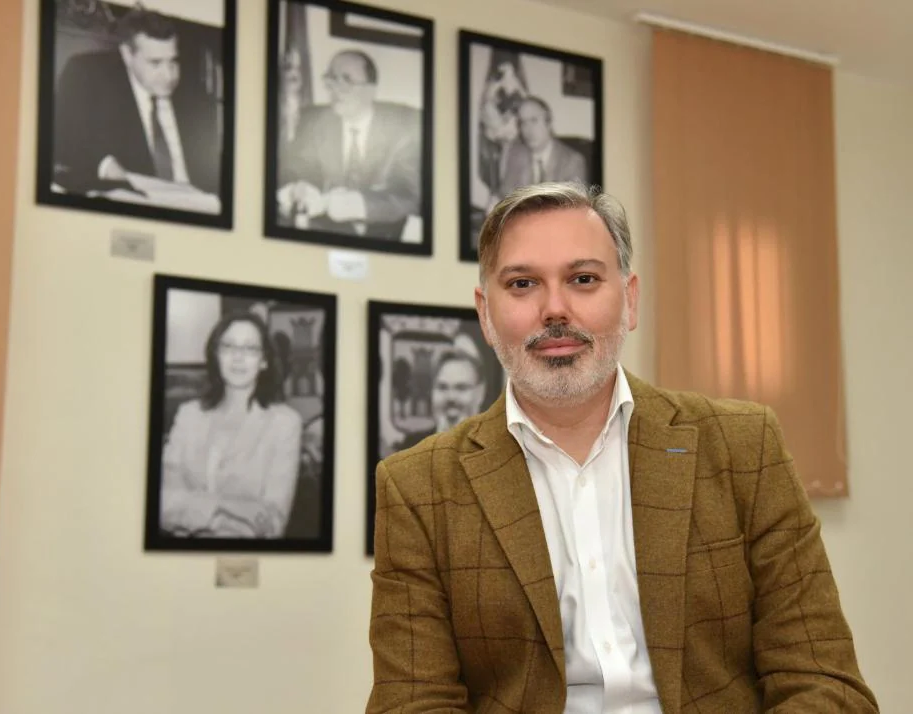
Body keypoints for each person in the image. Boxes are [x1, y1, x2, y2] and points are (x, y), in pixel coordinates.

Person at [366, 182, 877, 713]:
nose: (555, 309)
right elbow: (411, 702)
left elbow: (823, 682)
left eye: (583, 279)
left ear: (630, 299)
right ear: (486, 315)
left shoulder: (744, 448)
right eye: (522, 284)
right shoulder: (417, 487)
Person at [161, 311, 303, 539]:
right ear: (216, 355)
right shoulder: (188, 416)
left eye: (249, 349)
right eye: (228, 346)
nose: (238, 357)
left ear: (264, 361)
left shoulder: (285, 424)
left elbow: (272, 523)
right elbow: (162, 503)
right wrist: (230, 506)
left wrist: (196, 514)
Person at [52, 8, 220, 196]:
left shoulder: (195, 93)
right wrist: (106, 166)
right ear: (127, 55)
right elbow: (64, 141)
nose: (169, 75)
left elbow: (212, 169)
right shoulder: (88, 76)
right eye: (155, 63)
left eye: (173, 61)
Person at [276, 49, 422, 240]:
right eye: (331, 78)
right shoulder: (312, 121)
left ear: (371, 89)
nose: (334, 89)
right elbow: (294, 170)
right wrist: (298, 189)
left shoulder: (404, 126)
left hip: (386, 240)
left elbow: (413, 196)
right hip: (323, 237)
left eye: (346, 80)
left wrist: (358, 204)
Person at [493, 96, 587, 204]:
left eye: (534, 120)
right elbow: (504, 195)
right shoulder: (516, 155)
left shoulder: (572, 161)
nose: (527, 129)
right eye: (523, 122)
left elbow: (575, 210)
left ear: (549, 122)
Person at [395, 349, 486, 452]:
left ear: (480, 393)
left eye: (461, 388)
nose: (451, 397)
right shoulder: (411, 447)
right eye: (442, 387)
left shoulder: (497, 449)